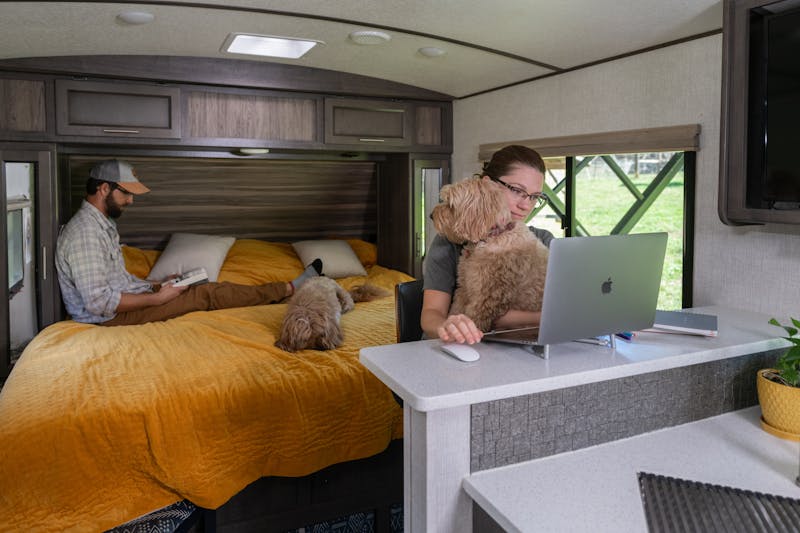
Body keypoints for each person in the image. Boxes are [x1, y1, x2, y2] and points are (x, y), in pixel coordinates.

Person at [55, 159, 323, 326]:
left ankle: (276, 293)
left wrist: (156, 285)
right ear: (104, 189)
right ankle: (288, 290)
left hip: (123, 304)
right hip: (109, 319)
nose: (131, 201)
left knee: (194, 284)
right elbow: (98, 303)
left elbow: (117, 282)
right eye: (126, 194)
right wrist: (157, 299)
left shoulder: (101, 225)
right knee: (207, 294)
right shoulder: (85, 234)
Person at [421, 145, 554, 344]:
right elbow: (432, 313)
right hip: (455, 346)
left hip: (515, 351)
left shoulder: (543, 240)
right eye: (517, 191)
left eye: (534, 197)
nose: (525, 205)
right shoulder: (449, 241)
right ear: (487, 184)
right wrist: (446, 326)